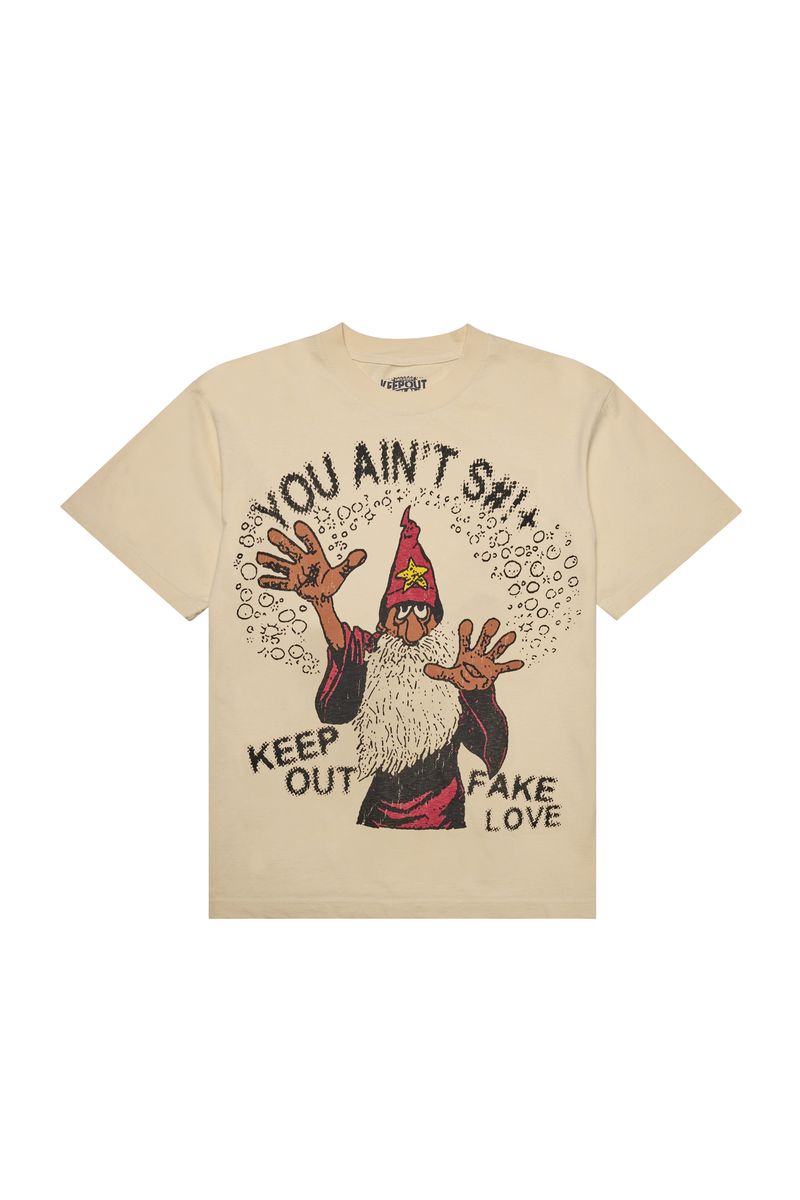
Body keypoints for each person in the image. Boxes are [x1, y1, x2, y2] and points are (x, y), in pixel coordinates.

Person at [256, 507, 523, 829]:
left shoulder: (457, 669)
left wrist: (478, 693)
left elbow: (491, 747)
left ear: (437, 621)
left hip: (446, 817)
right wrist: (323, 606)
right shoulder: (374, 655)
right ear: (383, 624)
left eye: (423, 613)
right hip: (377, 816)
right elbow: (335, 707)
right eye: (401, 614)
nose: (412, 631)